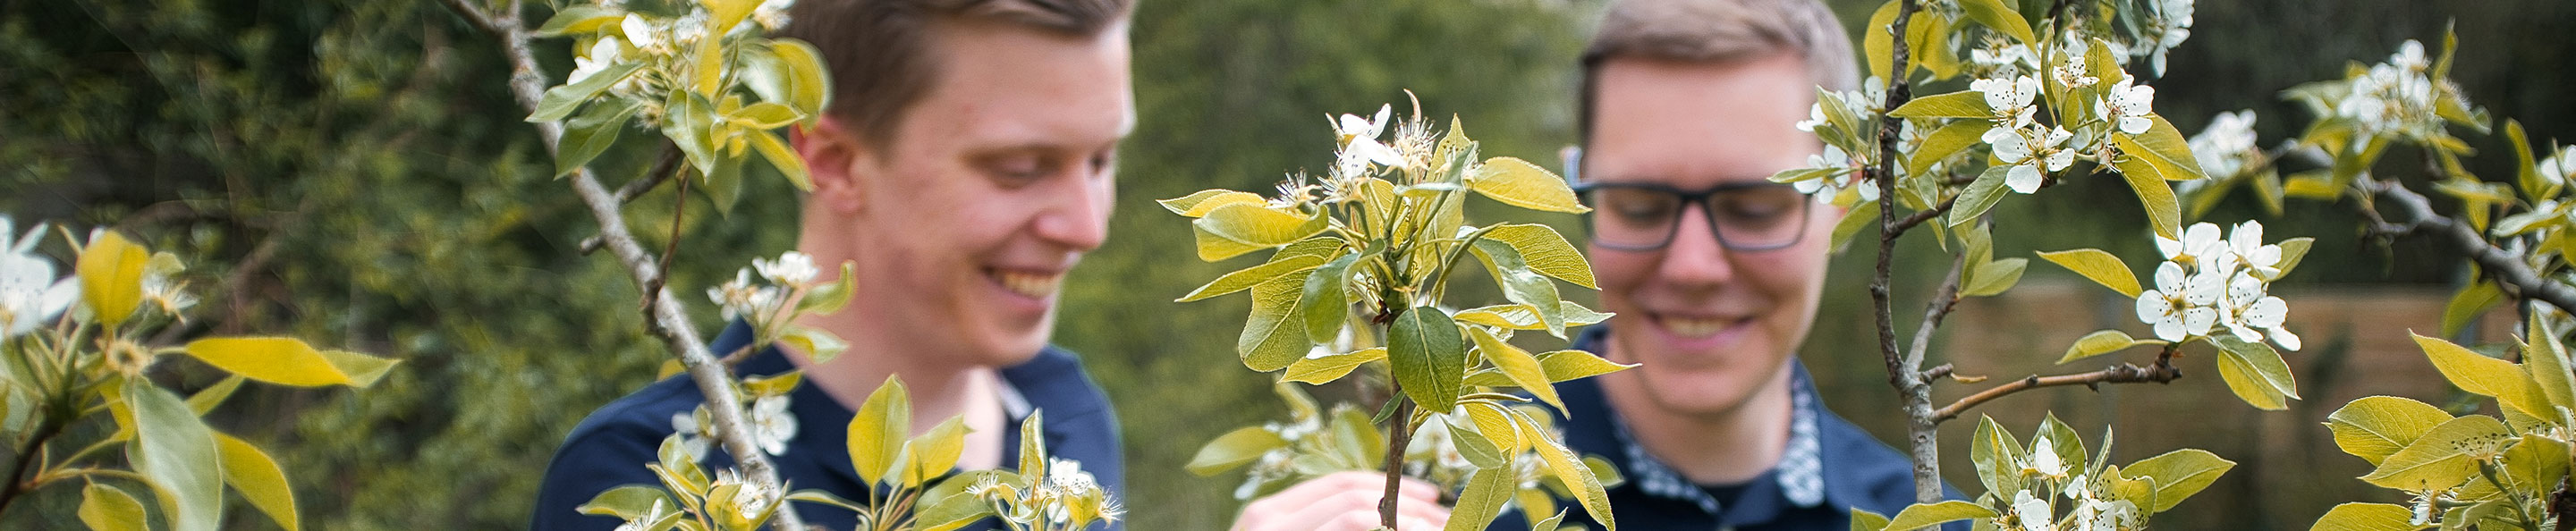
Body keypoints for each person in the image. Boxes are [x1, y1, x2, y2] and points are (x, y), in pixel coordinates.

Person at [1235, 0, 1946, 529]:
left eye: (1753, 206)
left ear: (1851, 204)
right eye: (1639, 203)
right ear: (1575, 190)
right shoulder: (1436, 493)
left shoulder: (1925, 515)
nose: (1693, 266)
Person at [532, 0, 1135, 529]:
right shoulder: (656, 485)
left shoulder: (1064, 414)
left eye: (1102, 161)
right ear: (837, 162)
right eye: (1020, 169)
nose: (1088, 227)